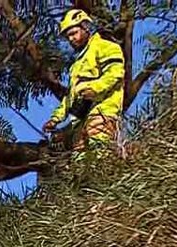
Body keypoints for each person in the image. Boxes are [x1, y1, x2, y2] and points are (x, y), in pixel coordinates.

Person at [42, 9, 125, 156]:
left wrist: (94, 89)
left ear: (86, 27)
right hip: (80, 122)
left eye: (74, 33)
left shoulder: (105, 46)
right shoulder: (76, 65)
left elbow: (116, 73)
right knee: (79, 163)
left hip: (102, 113)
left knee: (100, 155)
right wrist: (55, 119)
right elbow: (70, 97)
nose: (71, 39)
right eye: (68, 37)